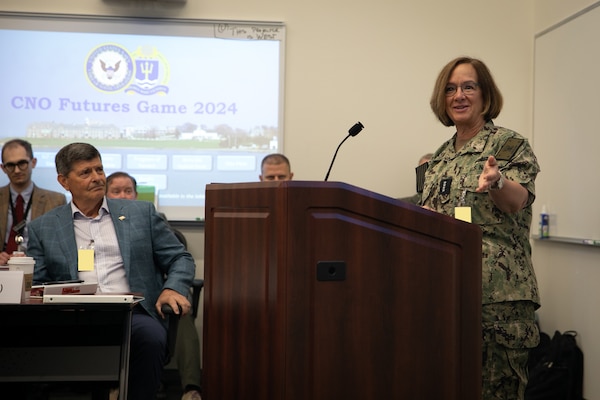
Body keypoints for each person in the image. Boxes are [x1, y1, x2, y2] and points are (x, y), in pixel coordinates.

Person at [27, 143, 195, 400]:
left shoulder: (141, 213)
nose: (97, 177)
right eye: (85, 173)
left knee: (151, 338)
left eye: (99, 169)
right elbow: (37, 282)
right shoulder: (44, 227)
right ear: (64, 181)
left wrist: (172, 287)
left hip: (132, 313)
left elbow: (179, 257)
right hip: (74, 315)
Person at [421, 56, 541, 399]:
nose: (459, 95)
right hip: (446, 296)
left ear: (485, 95)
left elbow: (517, 200)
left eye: (468, 87)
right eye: (450, 88)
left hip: (498, 302)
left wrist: (498, 181)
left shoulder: (508, 145)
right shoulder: (440, 157)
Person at [106, 171, 203, 400]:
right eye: (116, 191)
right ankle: (114, 384)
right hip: (114, 297)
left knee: (180, 308)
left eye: (128, 191)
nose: (123, 196)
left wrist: (172, 288)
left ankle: (191, 389)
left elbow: (176, 256)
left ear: (137, 195)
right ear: (105, 195)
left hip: (156, 291)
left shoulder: (149, 216)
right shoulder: (98, 224)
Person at [0, 139, 66, 265]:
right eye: (11, 165)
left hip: (38, 271)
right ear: (3, 168)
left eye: (22, 163)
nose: (17, 170)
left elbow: (60, 247)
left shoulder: (56, 201)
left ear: (33, 162)